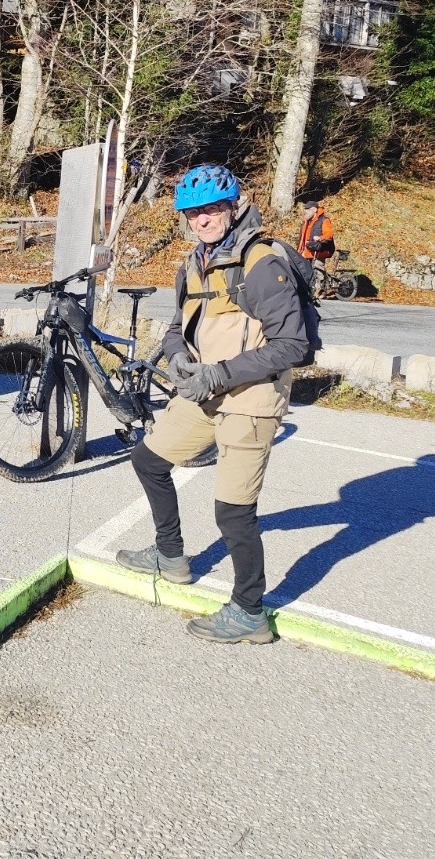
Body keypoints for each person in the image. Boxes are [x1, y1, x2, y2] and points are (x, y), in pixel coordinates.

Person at [115, 163, 308, 644]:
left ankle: (249, 612)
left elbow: (292, 346)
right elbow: (178, 329)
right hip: (203, 391)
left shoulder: (262, 263)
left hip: (250, 399)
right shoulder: (193, 264)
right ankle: (170, 555)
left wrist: (218, 374)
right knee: (148, 459)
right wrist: (180, 359)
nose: (202, 219)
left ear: (233, 206)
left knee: (233, 510)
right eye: (193, 212)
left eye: (212, 209)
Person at [298, 199, 336, 277]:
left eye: (308, 210)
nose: (305, 211)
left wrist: (320, 237)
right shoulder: (306, 222)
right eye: (305, 209)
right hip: (307, 252)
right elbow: (302, 239)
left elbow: (329, 234)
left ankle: (320, 288)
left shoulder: (324, 220)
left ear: (314, 210)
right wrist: (299, 251)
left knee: (317, 271)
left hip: (319, 251)